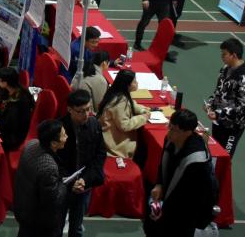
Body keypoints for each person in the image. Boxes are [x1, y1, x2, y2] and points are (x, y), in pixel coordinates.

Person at [144, 109, 217, 237]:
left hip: (184, 211)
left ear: (187, 132)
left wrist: (166, 210)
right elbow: (163, 164)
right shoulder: (170, 140)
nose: (169, 132)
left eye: (173, 129)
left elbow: (196, 195)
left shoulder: (198, 159)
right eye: (169, 126)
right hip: (167, 201)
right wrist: (159, 184)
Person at [57, 89, 106, 237]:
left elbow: (100, 155)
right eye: (80, 111)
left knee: (77, 226)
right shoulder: (59, 128)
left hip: (84, 185)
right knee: (56, 225)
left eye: (88, 109)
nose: (86, 114)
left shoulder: (94, 125)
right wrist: (71, 182)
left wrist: (85, 180)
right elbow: (54, 161)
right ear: (69, 110)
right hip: (63, 185)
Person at [13, 120, 69, 237]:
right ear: (54, 143)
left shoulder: (31, 144)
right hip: (39, 222)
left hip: (23, 209)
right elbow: (52, 200)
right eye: (64, 135)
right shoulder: (49, 167)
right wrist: (65, 184)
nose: (67, 137)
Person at [204, 38, 245, 157]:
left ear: (234, 55)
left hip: (234, 126)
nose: (222, 57)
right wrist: (210, 104)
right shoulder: (225, 69)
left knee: (225, 157)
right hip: (218, 122)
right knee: (214, 152)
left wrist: (219, 114)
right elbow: (219, 91)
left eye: (224, 54)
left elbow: (241, 106)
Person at [0, 67, 35, 152]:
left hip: (11, 137)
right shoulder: (8, 90)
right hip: (3, 127)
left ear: (5, 83)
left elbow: (9, 124)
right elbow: (1, 109)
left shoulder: (20, 102)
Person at [98, 69, 150, 157]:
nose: (137, 83)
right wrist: (143, 118)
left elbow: (131, 103)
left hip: (111, 136)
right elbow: (124, 125)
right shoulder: (120, 102)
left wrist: (142, 110)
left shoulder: (117, 92)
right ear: (127, 85)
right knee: (144, 149)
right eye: (134, 81)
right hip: (115, 145)